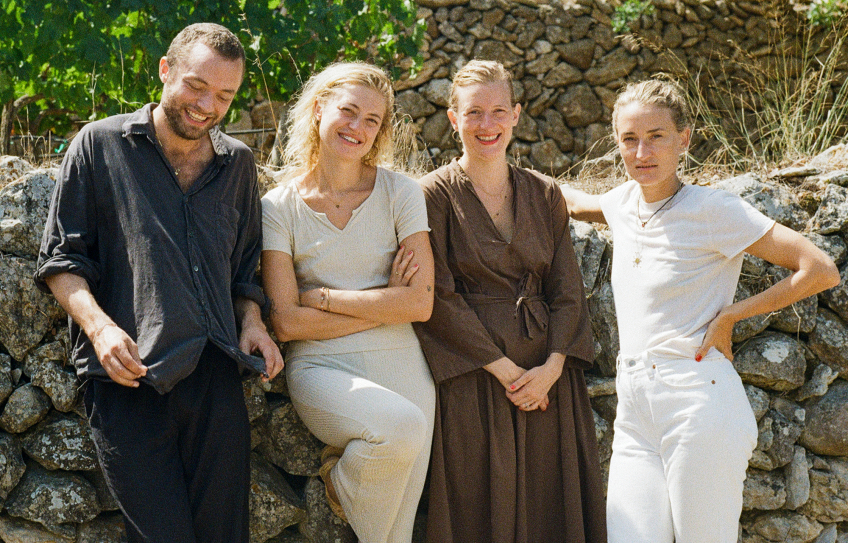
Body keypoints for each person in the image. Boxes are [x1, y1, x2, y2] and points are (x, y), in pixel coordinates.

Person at [34, 23, 284, 543]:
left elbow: (243, 271)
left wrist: (254, 321)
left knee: (225, 535)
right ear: (165, 71)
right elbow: (62, 260)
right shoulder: (97, 144)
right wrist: (101, 330)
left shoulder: (238, 162)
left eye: (224, 95)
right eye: (196, 85)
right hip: (127, 377)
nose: (207, 105)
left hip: (214, 371)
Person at [561, 79, 840, 543]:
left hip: (697, 399)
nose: (642, 151)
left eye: (657, 136)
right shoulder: (621, 203)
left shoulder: (712, 208)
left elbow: (819, 268)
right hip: (634, 409)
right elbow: (569, 201)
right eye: (629, 139)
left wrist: (731, 316)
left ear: (684, 138)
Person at [413, 59, 607, 543]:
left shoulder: (544, 193)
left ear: (516, 114)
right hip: (474, 378)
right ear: (453, 118)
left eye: (499, 111)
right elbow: (439, 297)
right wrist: (506, 372)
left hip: (548, 381)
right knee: (480, 508)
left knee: (551, 510)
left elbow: (566, 290)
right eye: (474, 112)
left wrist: (551, 369)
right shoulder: (430, 195)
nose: (488, 124)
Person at [260, 61, 435, 543]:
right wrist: (383, 305)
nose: (358, 127)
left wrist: (328, 299)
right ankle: (338, 481)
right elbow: (289, 322)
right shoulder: (278, 207)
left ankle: (349, 493)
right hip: (320, 367)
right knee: (400, 428)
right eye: (348, 111)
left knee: (395, 530)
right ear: (319, 109)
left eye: (372, 120)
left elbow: (420, 304)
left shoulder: (402, 192)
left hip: (403, 362)